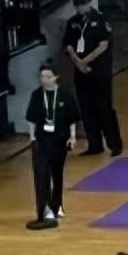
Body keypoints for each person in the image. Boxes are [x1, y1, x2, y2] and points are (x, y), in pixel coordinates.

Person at [64, 0, 123, 156]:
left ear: (88, 3)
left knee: (104, 108)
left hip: (99, 71)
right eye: (77, 5)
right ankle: (94, 144)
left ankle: (114, 144)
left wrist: (85, 61)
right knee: (86, 109)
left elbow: (103, 45)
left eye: (82, 4)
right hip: (81, 72)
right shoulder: (73, 22)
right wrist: (77, 62)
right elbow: (68, 45)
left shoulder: (101, 19)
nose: (79, 8)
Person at [25, 62, 78, 223]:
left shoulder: (65, 96)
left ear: (56, 77)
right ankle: (46, 207)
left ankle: (58, 204)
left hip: (59, 140)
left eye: (48, 76)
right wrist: (32, 137)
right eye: (42, 76)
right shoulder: (36, 95)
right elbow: (31, 119)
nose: (44, 80)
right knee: (43, 175)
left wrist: (72, 137)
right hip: (42, 141)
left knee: (57, 174)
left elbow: (72, 119)